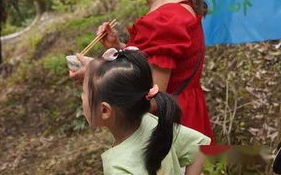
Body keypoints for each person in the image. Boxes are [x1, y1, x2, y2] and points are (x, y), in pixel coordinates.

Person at [71, 0, 213, 139]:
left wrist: (96, 73)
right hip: (188, 114)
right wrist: (119, 47)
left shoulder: (163, 21)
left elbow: (153, 99)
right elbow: (151, 63)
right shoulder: (180, 7)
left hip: (171, 130)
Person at [82, 47, 210, 175]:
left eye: (84, 93)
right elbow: (200, 147)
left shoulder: (118, 167)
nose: (82, 97)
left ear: (104, 111)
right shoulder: (154, 124)